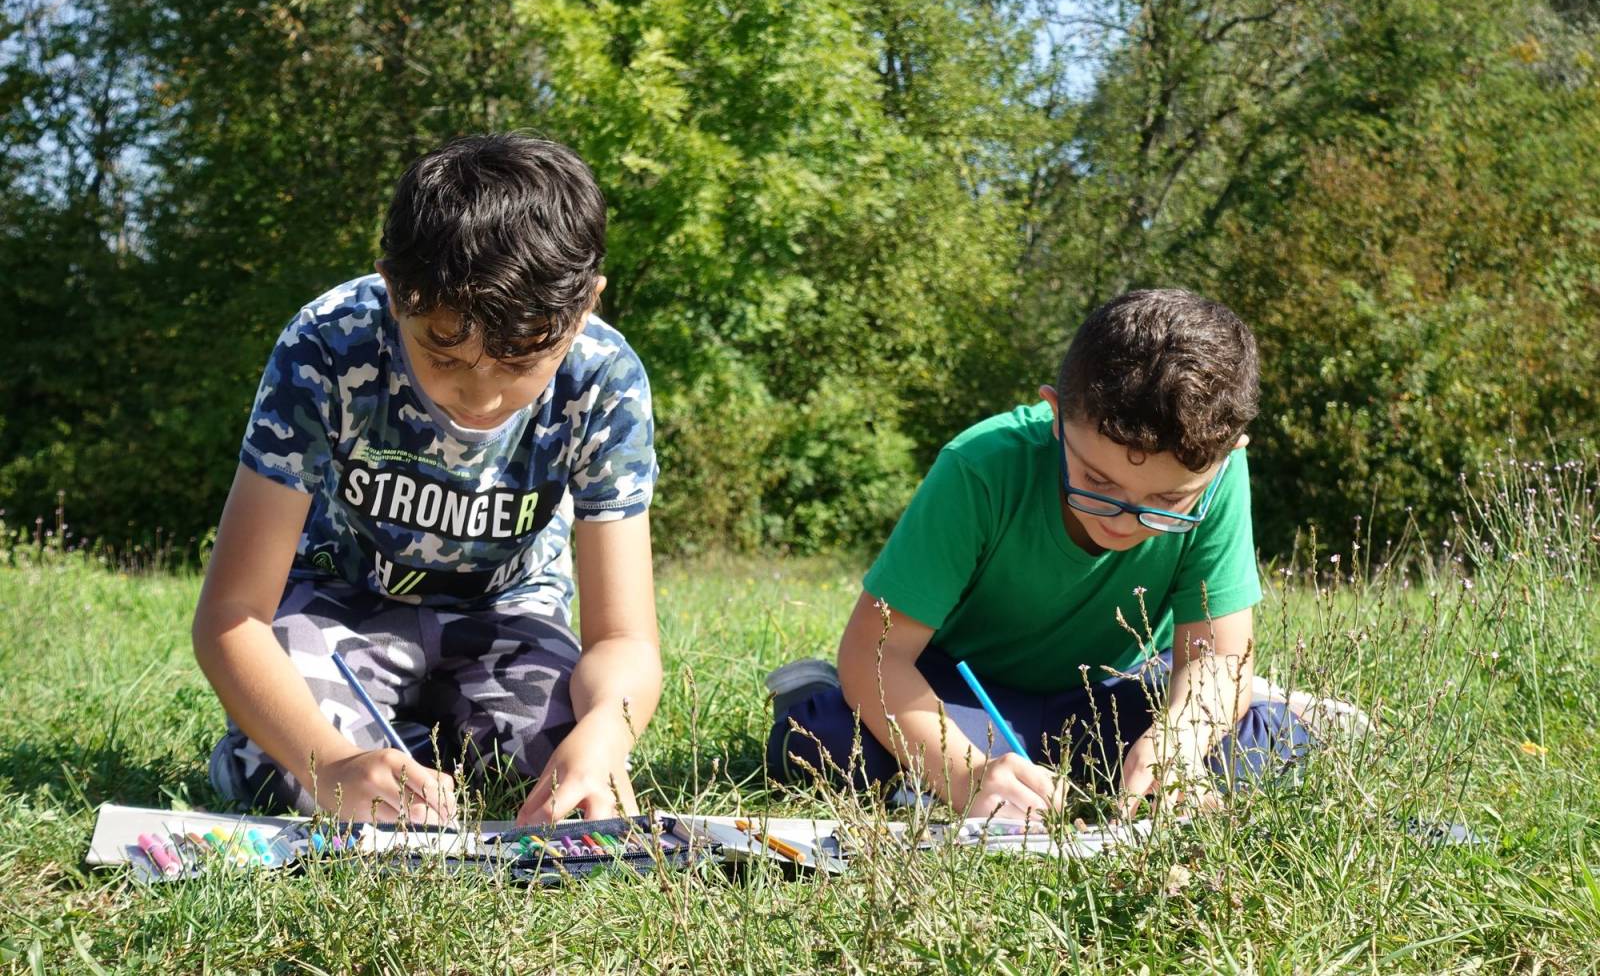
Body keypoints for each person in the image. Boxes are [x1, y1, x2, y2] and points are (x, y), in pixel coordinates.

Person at [194, 133, 661, 826]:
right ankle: (364, 752)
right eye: (441, 355)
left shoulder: (604, 378)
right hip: (337, 606)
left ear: (585, 304)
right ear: (393, 287)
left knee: (566, 758)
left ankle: (410, 750)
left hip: (509, 617)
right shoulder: (326, 346)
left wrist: (604, 739)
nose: (478, 399)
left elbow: (623, 639)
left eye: (519, 365)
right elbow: (232, 616)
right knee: (290, 768)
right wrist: (331, 763)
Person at [766, 289, 1312, 818]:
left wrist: (1180, 740)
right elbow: (876, 654)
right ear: (1056, 415)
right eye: (1097, 481)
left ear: (1228, 453)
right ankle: (814, 690)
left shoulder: (1219, 475)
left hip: (1116, 691)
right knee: (826, 743)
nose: (1124, 519)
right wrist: (966, 776)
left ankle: (1258, 709)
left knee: (1262, 748)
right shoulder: (981, 466)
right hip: (968, 693)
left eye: (1168, 501)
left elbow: (1217, 657)